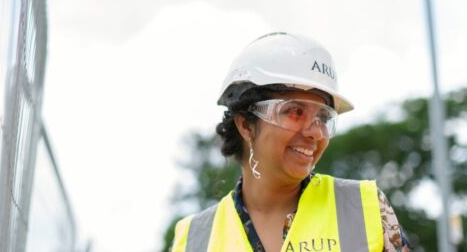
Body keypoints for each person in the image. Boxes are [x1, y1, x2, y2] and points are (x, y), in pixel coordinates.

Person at [171, 32, 412, 252]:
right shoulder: (194, 239)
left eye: (323, 117)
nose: (316, 132)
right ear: (245, 124)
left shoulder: (363, 209)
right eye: (295, 112)